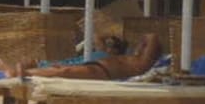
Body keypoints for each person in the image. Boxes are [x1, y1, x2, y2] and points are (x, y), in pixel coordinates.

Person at [22, 33, 163, 81]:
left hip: (104, 72)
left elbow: (152, 37)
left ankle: (26, 73)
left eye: (143, 45)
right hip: (100, 67)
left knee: (64, 71)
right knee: (61, 69)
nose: (140, 46)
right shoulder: (134, 58)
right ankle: (25, 72)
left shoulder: (142, 63)